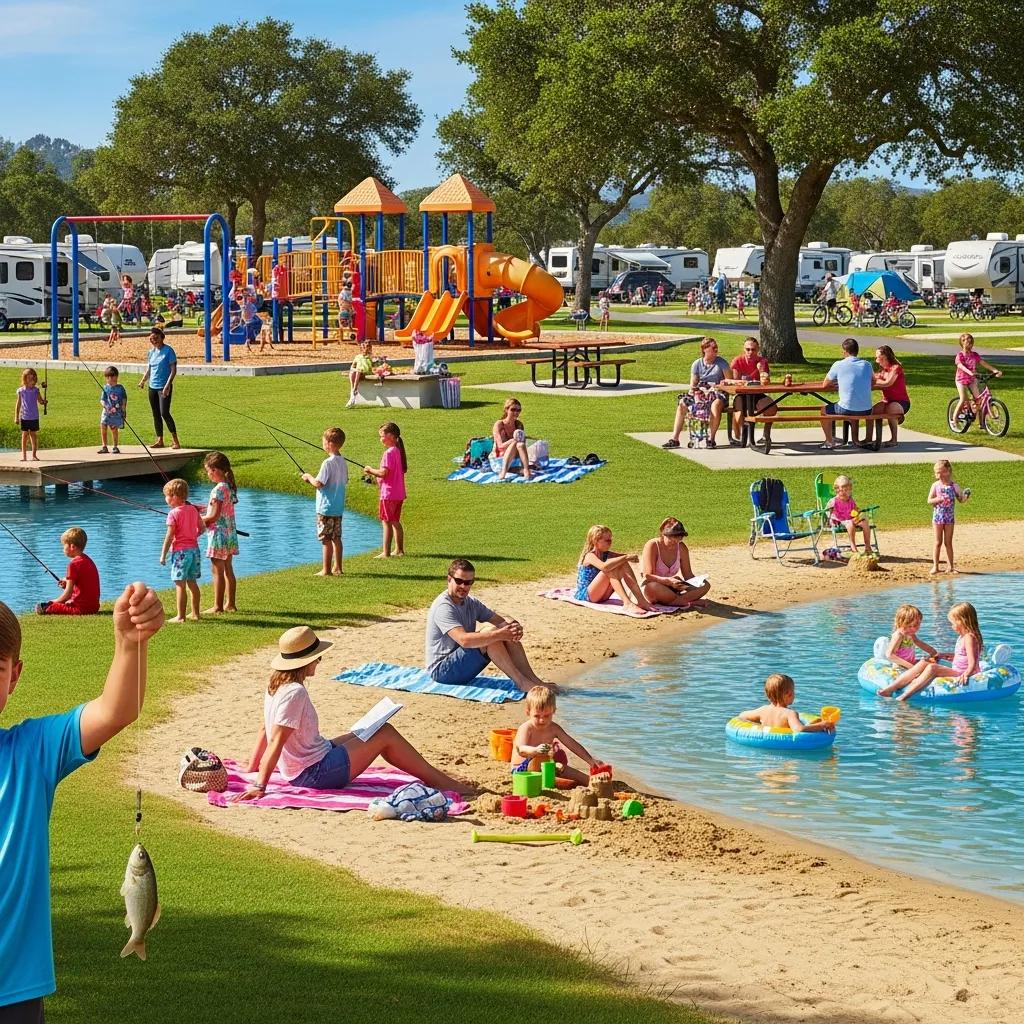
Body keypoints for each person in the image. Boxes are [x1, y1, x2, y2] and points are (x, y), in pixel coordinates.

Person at [0, 583, 163, 1022]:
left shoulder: (32, 751)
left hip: (13, 990)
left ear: (14, 676)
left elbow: (117, 710)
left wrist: (129, 643)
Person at [234, 626, 472, 802]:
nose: (319, 661)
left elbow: (264, 727)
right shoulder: (295, 692)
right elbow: (275, 739)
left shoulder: (275, 685)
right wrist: (259, 785)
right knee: (385, 734)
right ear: (306, 661)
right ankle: (441, 782)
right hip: (313, 773)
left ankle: (434, 776)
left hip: (313, 758)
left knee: (363, 732)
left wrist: (251, 766)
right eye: (317, 657)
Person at [425, 558, 552, 692]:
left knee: (502, 631)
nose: (463, 586)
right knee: (491, 635)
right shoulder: (443, 607)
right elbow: (464, 640)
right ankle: (521, 683)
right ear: (449, 579)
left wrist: (513, 626)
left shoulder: (471, 602)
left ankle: (534, 681)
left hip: (461, 664)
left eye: (468, 582)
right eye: (459, 581)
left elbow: (499, 620)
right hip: (442, 672)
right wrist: (499, 634)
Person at [878, 602, 982, 701]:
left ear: (961, 621)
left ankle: (905, 696)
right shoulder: (966, 636)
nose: (952, 626)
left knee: (932, 667)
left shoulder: (969, 637)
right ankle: (892, 689)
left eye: (952, 623)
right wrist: (950, 656)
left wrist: (967, 674)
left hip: (962, 673)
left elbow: (972, 661)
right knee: (926, 663)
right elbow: (966, 656)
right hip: (959, 669)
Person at [510, 685, 602, 786]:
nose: (542, 720)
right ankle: (558, 781)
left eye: (547, 716)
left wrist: (590, 760)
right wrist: (535, 750)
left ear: (553, 711)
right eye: (537, 716)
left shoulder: (554, 728)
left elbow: (571, 744)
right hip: (522, 769)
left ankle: (589, 781)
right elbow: (521, 749)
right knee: (548, 765)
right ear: (528, 712)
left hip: (543, 765)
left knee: (562, 767)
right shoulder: (527, 728)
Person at [662, 337, 730, 449]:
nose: (716, 349)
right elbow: (693, 385)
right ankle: (674, 439)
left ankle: (711, 439)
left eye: (716, 347)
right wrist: (697, 390)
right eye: (713, 347)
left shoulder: (722, 363)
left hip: (717, 393)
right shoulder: (697, 364)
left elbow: (729, 382)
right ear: (704, 350)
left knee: (716, 404)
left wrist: (716, 387)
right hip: (701, 393)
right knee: (682, 403)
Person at [575, 525, 653, 616]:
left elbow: (624, 557)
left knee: (622, 562)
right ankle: (627, 603)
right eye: (607, 540)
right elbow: (604, 567)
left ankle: (641, 600)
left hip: (601, 595)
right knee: (609, 569)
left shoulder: (606, 554)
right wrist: (625, 557)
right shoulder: (590, 556)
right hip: (587, 595)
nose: (610, 543)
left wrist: (629, 558)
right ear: (596, 541)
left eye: (611, 540)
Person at [301, 426, 348, 577]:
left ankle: (326, 570)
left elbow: (319, 483)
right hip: (338, 507)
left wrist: (308, 477)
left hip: (326, 508)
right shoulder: (343, 461)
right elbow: (345, 480)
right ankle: (338, 568)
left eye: (323, 441)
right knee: (337, 538)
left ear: (329, 444)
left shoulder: (327, 463)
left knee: (326, 539)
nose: (322, 444)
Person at [639, 516, 711, 608]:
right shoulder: (652, 545)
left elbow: (688, 574)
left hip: (673, 587)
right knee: (653, 587)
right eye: (672, 539)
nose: (675, 542)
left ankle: (676, 601)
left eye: (679, 539)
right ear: (663, 534)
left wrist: (691, 583)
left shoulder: (681, 548)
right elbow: (647, 576)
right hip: (654, 586)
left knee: (705, 585)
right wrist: (668, 581)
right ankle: (689, 602)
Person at [159, 478, 203, 622]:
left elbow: (170, 536)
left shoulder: (173, 514)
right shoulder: (193, 509)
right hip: (194, 551)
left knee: (180, 584)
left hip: (180, 553)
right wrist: (192, 536)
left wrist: (163, 555)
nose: (166, 498)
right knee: (192, 582)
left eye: (167, 495)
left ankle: (181, 616)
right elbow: (202, 528)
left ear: (174, 497)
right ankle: (196, 613)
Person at [818, 337, 874, 449]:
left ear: (844, 351)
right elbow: (873, 380)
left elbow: (825, 384)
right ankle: (855, 440)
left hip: (846, 409)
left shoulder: (839, 364)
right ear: (857, 351)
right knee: (853, 407)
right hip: (867, 409)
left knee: (824, 410)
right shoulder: (867, 364)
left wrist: (837, 383)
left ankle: (829, 441)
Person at [737, 673, 837, 734]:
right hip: (787, 749)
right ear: (788, 694)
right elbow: (799, 729)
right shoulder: (790, 713)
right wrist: (822, 725)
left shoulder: (763, 710)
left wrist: (757, 724)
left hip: (768, 744)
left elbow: (742, 716)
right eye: (793, 691)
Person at [201, 452, 239, 613]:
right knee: (228, 569)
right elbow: (222, 510)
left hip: (218, 535)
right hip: (229, 533)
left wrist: (196, 519)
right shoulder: (228, 486)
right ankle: (230, 604)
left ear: (215, 470)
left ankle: (217, 606)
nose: (208, 474)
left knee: (217, 570)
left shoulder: (218, 490)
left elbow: (213, 516)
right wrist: (201, 509)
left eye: (208, 471)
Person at [363, 421, 407, 558]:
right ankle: (399, 550)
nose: (380, 439)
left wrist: (370, 470)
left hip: (388, 494)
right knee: (395, 521)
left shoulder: (389, 453)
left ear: (391, 436)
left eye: (382, 436)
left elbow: (383, 473)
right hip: (398, 493)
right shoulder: (397, 451)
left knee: (387, 522)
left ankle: (386, 552)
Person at [35, 527, 100, 616]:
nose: (63, 549)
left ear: (72, 546)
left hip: (80, 609)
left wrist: (52, 602)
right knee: (64, 603)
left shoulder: (73, 564)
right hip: (94, 607)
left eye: (64, 545)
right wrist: (67, 583)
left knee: (41, 607)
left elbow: (67, 595)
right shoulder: (88, 560)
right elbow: (83, 586)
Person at [726, 336, 775, 445]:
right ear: (744, 349)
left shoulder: (762, 362)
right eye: (748, 349)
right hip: (741, 395)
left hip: (757, 394)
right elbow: (735, 382)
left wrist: (761, 370)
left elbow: (766, 382)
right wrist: (743, 383)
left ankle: (766, 435)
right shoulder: (738, 361)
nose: (750, 352)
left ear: (758, 350)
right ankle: (741, 437)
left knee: (771, 408)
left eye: (753, 349)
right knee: (739, 412)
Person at [138, 327, 179, 449]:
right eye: (151, 339)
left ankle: (175, 440)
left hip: (163, 387)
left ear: (162, 337)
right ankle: (160, 440)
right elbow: (150, 369)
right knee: (156, 414)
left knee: (164, 412)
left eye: (156, 338)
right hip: (152, 387)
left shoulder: (168, 351)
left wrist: (167, 385)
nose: (153, 341)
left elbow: (173, 370)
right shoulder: (151, 353)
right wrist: (143, 381)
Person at [928, 459, 969, 575]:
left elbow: (960, 499)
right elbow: (929, 500)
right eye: (937, 473)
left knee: (948, 542)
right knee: (937, 542)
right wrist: (938, 499)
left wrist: (965, 497)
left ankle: (950, 566)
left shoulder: (954, 486)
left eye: (942, 472)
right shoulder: (935, 485)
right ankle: (935, 566)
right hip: (938, 517)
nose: (939, 475)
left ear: (949, 471)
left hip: (949, 518)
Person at [952, 332, 1002, 423]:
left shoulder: (974, 355)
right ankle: (954, 418)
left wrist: (994, 370)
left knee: (978, 399)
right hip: (961, 380)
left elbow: (983, 363)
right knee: (963, 398)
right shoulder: (960, 355)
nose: (968, 342)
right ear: (962, 343)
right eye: (966, 340)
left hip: (971, 380)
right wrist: (969, 372)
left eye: (970, 341)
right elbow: (960, 366)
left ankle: (981, 423)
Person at [871, 345, 910, 448]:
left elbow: (888, 383)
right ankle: (868, 438)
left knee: (891, 409)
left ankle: (894, 440)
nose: (876, 360)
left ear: (885, 356)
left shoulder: (896, 368)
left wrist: (876, 382)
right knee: (872, 411)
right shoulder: (883, 371)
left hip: (901, 402)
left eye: (878, 357)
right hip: (887, 401)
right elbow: (872, 379)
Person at [826, 475, 873, 555]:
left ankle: (867, 546)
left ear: (850, 490)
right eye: (842, 491)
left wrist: (857, 512)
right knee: (850, 524)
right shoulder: (833, 501)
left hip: (851, 518)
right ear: (836, 490)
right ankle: (853, 547)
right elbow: (827, 511)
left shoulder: (850, 499)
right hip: (840, 521)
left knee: (864, 522)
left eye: (847, 491)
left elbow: (855, 509)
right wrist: (830, 520)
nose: (845, 493)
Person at [884, 604, 938, 672]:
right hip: (900, 668)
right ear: (900, 623)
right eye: (909, 626)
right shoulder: (899, 635)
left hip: (910, 664)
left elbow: (918, 642)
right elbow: (889, 655)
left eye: (916, 625)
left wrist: (932, 651)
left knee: (929, 664)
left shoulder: (909, 633)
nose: (913, 629)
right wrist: (912, 667)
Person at [492, 397, 531, 481]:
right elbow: (500, 447)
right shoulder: (499, 424)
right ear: (506, 410)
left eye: (518, 410)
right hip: (499, 459)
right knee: (515, 443)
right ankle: (504, 471)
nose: (516, 413)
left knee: (520, 444)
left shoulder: (519, 424)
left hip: (514, 459)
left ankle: (526, 469)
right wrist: (513, 440)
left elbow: (522, 443)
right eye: (513, 409)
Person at [14, 367, 46, 462]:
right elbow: (18, 404)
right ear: (24, 379)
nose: (31, 381)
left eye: (33, 379)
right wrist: (16, 417)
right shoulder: (21, 391)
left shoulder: (36, 390)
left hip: (34, 417)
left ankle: (34, 455)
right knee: (24, 436)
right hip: (24, 417)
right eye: (29, 378)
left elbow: (40, 401)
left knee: (33, 435)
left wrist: (44, 402)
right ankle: (24, 456)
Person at [98, 365, 127, 454]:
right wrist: (106, 407)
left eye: (112, 376)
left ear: (116, 376)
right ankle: (104, 446)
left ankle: (115, 446)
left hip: (116, 413)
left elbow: (124, 399)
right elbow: (102, 400)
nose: (109, 378)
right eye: (107, 377)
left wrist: (123, 410)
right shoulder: (105, 388)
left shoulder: (120, 388)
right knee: (103, 426)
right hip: (106, 412)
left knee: (114, 428)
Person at [346, 339, 374, 408]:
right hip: (358, 373)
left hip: (366, 373)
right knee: (353, 372)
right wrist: (357, 369)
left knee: (357, 372)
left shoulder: (370, 357)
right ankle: (353, 391)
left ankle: (353, 391)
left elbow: (371, 367)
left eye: (366, 348)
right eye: (363, 348)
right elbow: (352, 367)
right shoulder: (358, 357)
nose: (365, 349)